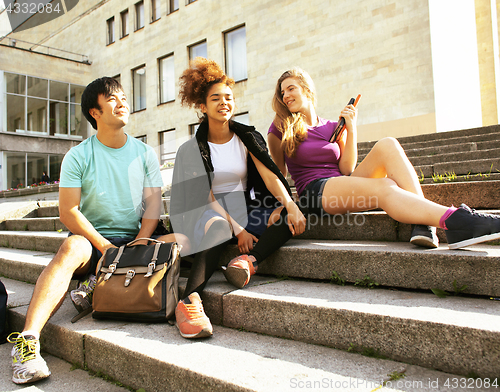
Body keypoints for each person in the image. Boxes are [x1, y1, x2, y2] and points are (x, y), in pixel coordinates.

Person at [7, 77, 184, 385]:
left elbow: (153, 204)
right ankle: (27, 342)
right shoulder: (78, 155)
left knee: (183, 239)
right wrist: (104, 247)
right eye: (113, 99)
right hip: (94, 241)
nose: (123, 103)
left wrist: (142, 238)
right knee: (72, 248)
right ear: (95, 112)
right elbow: (68, 211)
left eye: (124, 98)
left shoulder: (144, 153)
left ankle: (97, 284)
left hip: (136, 240)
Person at [268, 67, 500, 249]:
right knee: (385, 186)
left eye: (291, 88)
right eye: (283, 92)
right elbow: (277, 173)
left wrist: (351, 127)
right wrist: (282, 206)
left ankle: (423, 224)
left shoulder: (331, 126)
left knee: (388, 144)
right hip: (314, 192)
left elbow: (347, 168)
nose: (286, 96)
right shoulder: (280, 126)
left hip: (341, 183)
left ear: (307, 89)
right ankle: (458, 221)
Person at [170, 58, 306, 339]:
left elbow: (270, 176)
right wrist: (237, 228)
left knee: (289, 215)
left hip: (245, 207)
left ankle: (248, 262)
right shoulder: (192, 149)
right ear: (202, 106)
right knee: (219, 227)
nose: (224, 103)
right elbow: (205, 196)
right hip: (207, 213)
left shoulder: (247, 137)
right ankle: (189, 300)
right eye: (216, 98)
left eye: (229, 97)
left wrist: (289, 204)